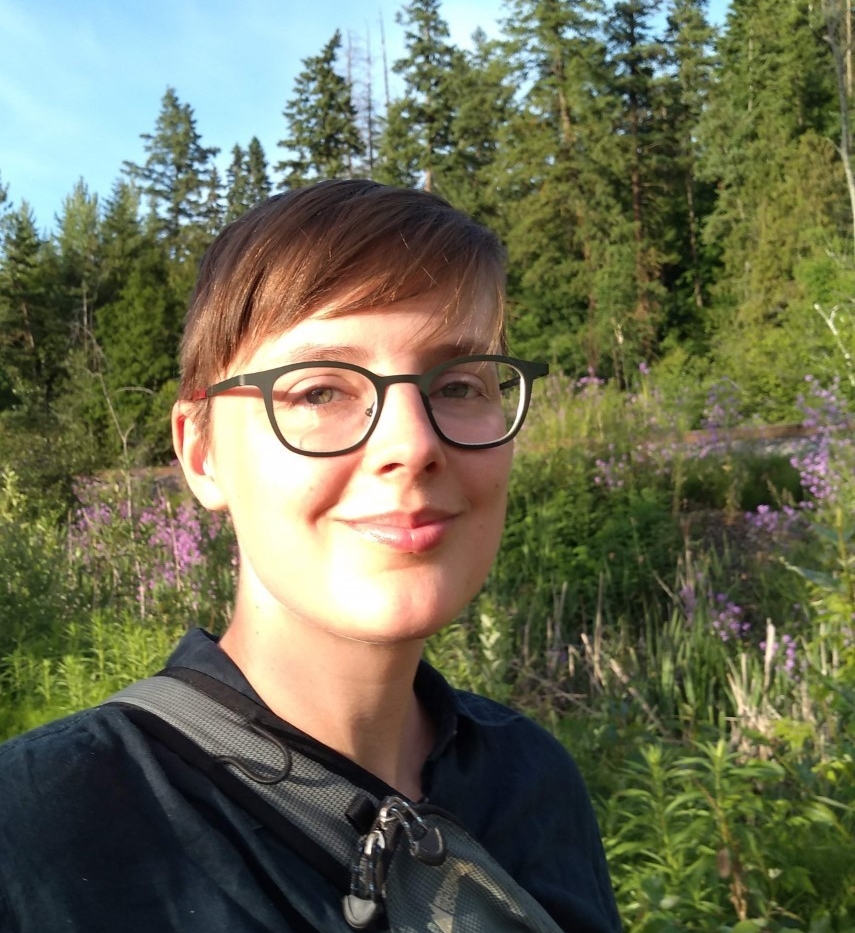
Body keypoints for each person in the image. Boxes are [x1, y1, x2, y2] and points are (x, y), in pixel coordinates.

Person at [0, 180, 621, 932]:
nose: (413, 442)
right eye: (321, 391)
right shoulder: (36, 833)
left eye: (457, 383)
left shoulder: (533, 779)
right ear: (202, 454)